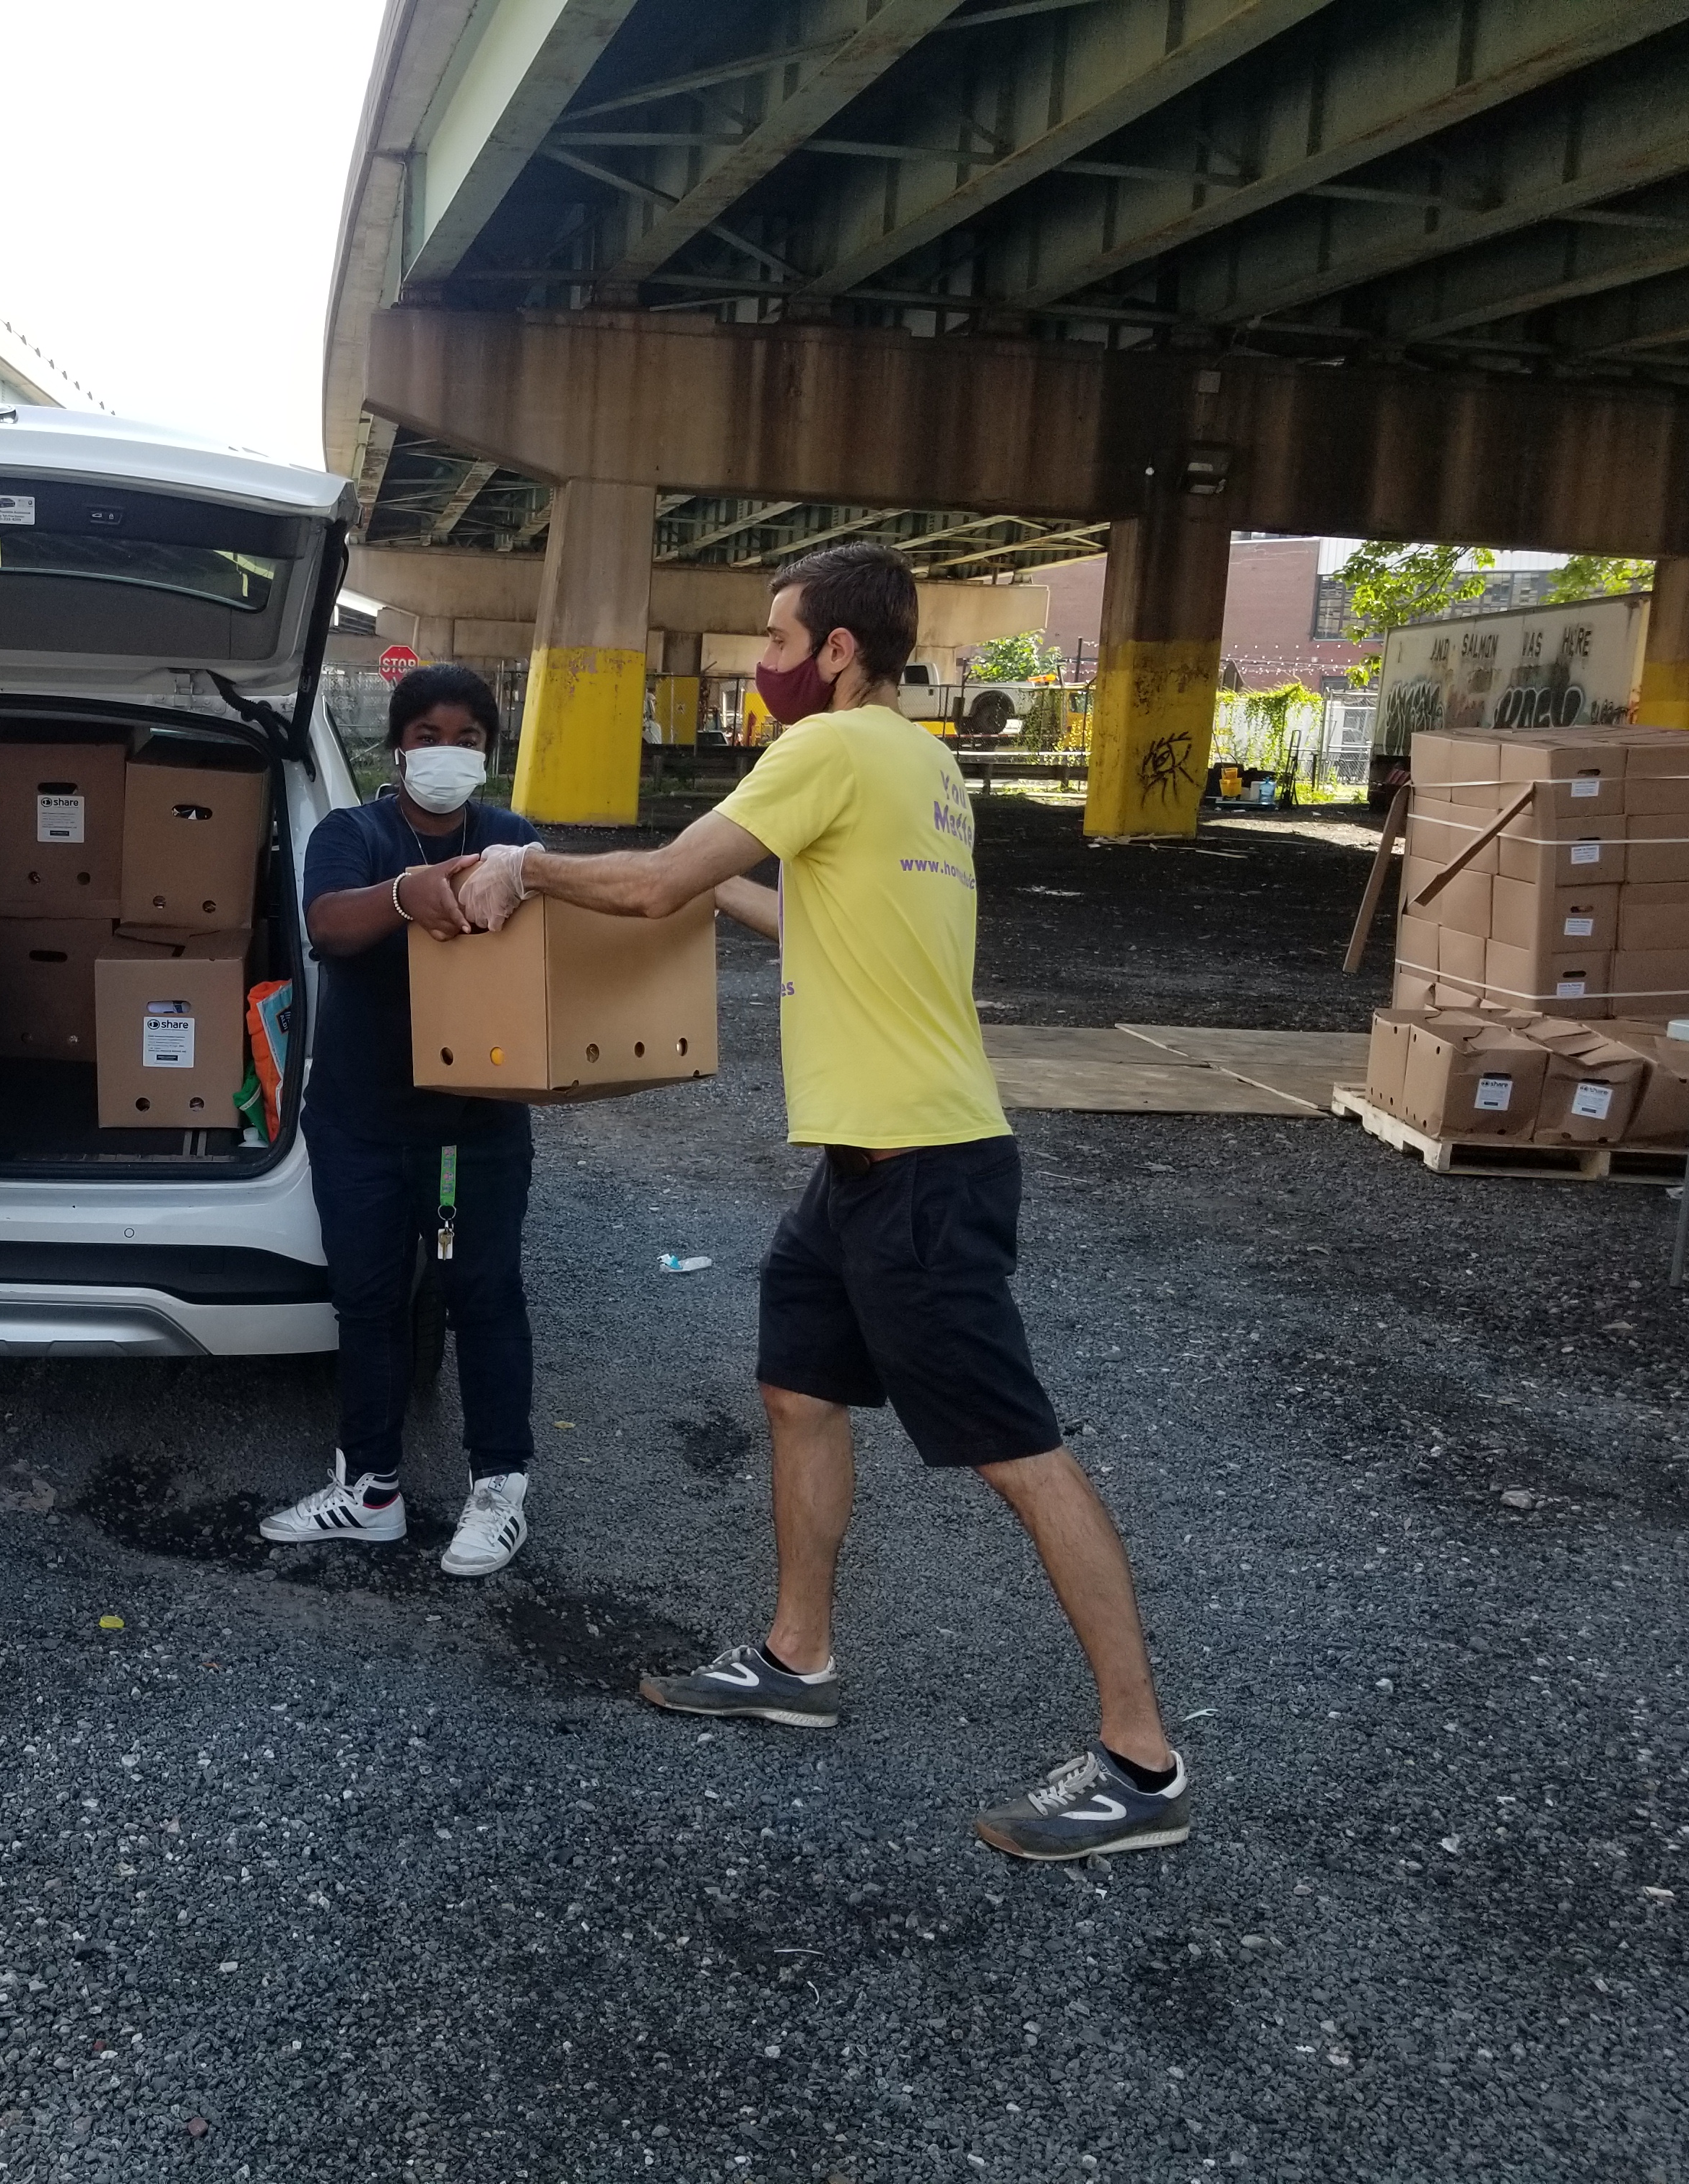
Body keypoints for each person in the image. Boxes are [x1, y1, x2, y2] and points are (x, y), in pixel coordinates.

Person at [453, 545, 1188, 1860]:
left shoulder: (828, 749)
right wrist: (673, 889)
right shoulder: (916, 762)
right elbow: (803, 914)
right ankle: (798, 1655)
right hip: (863, 1165)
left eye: (778, 636)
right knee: (798, 1388)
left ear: (838, 648)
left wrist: (529, 863)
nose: (764, 660)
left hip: (918, 1163)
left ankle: (1140, 1758)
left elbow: (659, 878)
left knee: (1014, 1448)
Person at [256, 664, 544, 1577]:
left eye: (468, 738)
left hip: (466, 1144)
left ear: (488, 752)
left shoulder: (510, 839)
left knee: (476, 1292)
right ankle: (369, 1490)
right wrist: (400, 897)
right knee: (369, 1300)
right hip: (362, 1129)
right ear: (397, 747)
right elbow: (328, 925)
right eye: (428, 736)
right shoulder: (355, 833)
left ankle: (499, 1486)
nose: (447, 753)